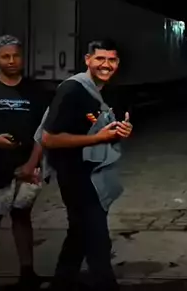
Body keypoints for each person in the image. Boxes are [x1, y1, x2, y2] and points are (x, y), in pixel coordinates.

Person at [39, 40, 133, 291]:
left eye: (112, 60)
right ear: (87, 60)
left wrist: (123, 130)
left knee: (79, 232)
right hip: (75, 175)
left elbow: (110, 127)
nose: (106, 65)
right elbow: (49, 138)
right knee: (97, 239)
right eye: (100, 59)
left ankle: (62, 282)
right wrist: (97, 138)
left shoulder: (110, 90)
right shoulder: (72, 90)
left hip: (96, 173)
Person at [0, 35, 45, 291]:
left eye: (16, 56)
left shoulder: (34, 90)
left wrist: (33, 163)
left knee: (22, 218)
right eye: (5, 56)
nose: (12, 61)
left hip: (26, 168)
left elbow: (44, 131)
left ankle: (28, 274)